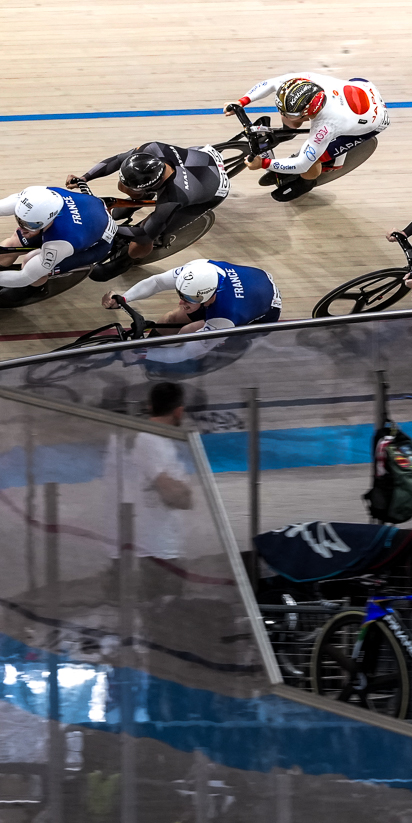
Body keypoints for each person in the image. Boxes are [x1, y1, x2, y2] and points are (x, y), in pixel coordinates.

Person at [67, 141, 229, 274]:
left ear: (155, 185)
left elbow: (144, 234)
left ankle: (126, 261)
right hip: (202, 156)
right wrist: (85, 177)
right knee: (125, 186)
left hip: (212, 189)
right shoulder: (152, 149)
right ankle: (140, 198)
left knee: (146, 237)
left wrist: (107, 227)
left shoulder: (174, 197)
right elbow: (117, 160)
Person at [0, 185, 117, 307]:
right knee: (13, 242)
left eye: (29, 225)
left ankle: (35, 290)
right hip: (80, 213)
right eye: (19, 220)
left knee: (30, 262)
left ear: (46, 220)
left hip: (95, 243)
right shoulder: (37, 197)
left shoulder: (61, 243)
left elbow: (25, 276)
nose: (22, 227)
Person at [226, 72, 390, 200]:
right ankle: (287, 131)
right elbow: (271, 83)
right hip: (361, 87)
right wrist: (242, 101)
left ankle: (306, 183)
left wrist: (263, 163)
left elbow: (302, 164)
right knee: (290, 120)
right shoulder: (305, 81)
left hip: (373, 121)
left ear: (309, 115)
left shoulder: (325, 127)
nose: (280, 114)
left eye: (287, 113)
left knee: (314, 160)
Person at [116, 381, 196, 602]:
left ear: (150, 405)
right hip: (158, 546)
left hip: (163, 543)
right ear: (179, 410)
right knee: (165, 608)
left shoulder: (160, 439)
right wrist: (185, 494)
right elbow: (174, 494)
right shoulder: (150, 441)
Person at [103, 258, 282, 333]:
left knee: (189, 334)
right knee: (171, 319)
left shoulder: (227, 315)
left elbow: (188, 351)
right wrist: (124, 298)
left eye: (188, 298)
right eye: (181, 294)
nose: (181, 302)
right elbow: (157, 282)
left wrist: (147, 358)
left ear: (207, 296)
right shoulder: (196, 269)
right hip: (250, 280)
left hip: (266, 308)